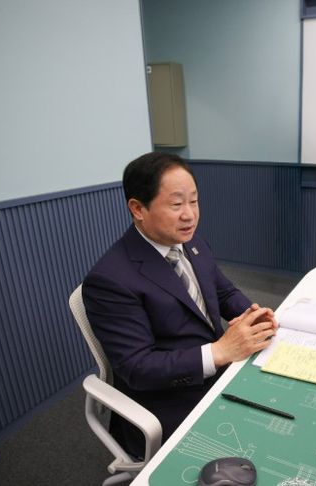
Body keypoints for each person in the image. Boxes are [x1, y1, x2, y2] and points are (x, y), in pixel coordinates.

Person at [82, 152, 278, 457]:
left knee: (283, 410)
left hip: (218, 371)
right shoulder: (110, 279)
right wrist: (218, 352)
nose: (189, 215)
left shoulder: (191, 242)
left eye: (194, 201)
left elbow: (223, 292)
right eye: (176, 205)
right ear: (138, 208)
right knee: (261, 448)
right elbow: (138, 368)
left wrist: (253, 315)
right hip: (168, 399)